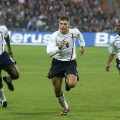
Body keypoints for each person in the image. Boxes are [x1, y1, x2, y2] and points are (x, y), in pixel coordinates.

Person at [46, 16, 85, 115]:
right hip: (57, 63)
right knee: (57, 89)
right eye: (61, 24)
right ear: (58, 24)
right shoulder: (54, 36)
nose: (62, 26)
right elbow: (49, 52)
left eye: (65, 24)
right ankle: (65, 107)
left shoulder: (73, 32)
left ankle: (69, 80)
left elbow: (80, 35)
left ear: (68, 25)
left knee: (71, 84)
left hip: (70, 62)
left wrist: (82, 45)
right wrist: (58, 47)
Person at [0, 25, 19, 108]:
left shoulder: (2, 29)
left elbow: (7, 36)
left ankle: (7, 79)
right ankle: (3, 99)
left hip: (2, 55)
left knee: (15, 74)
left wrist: (9, 48)